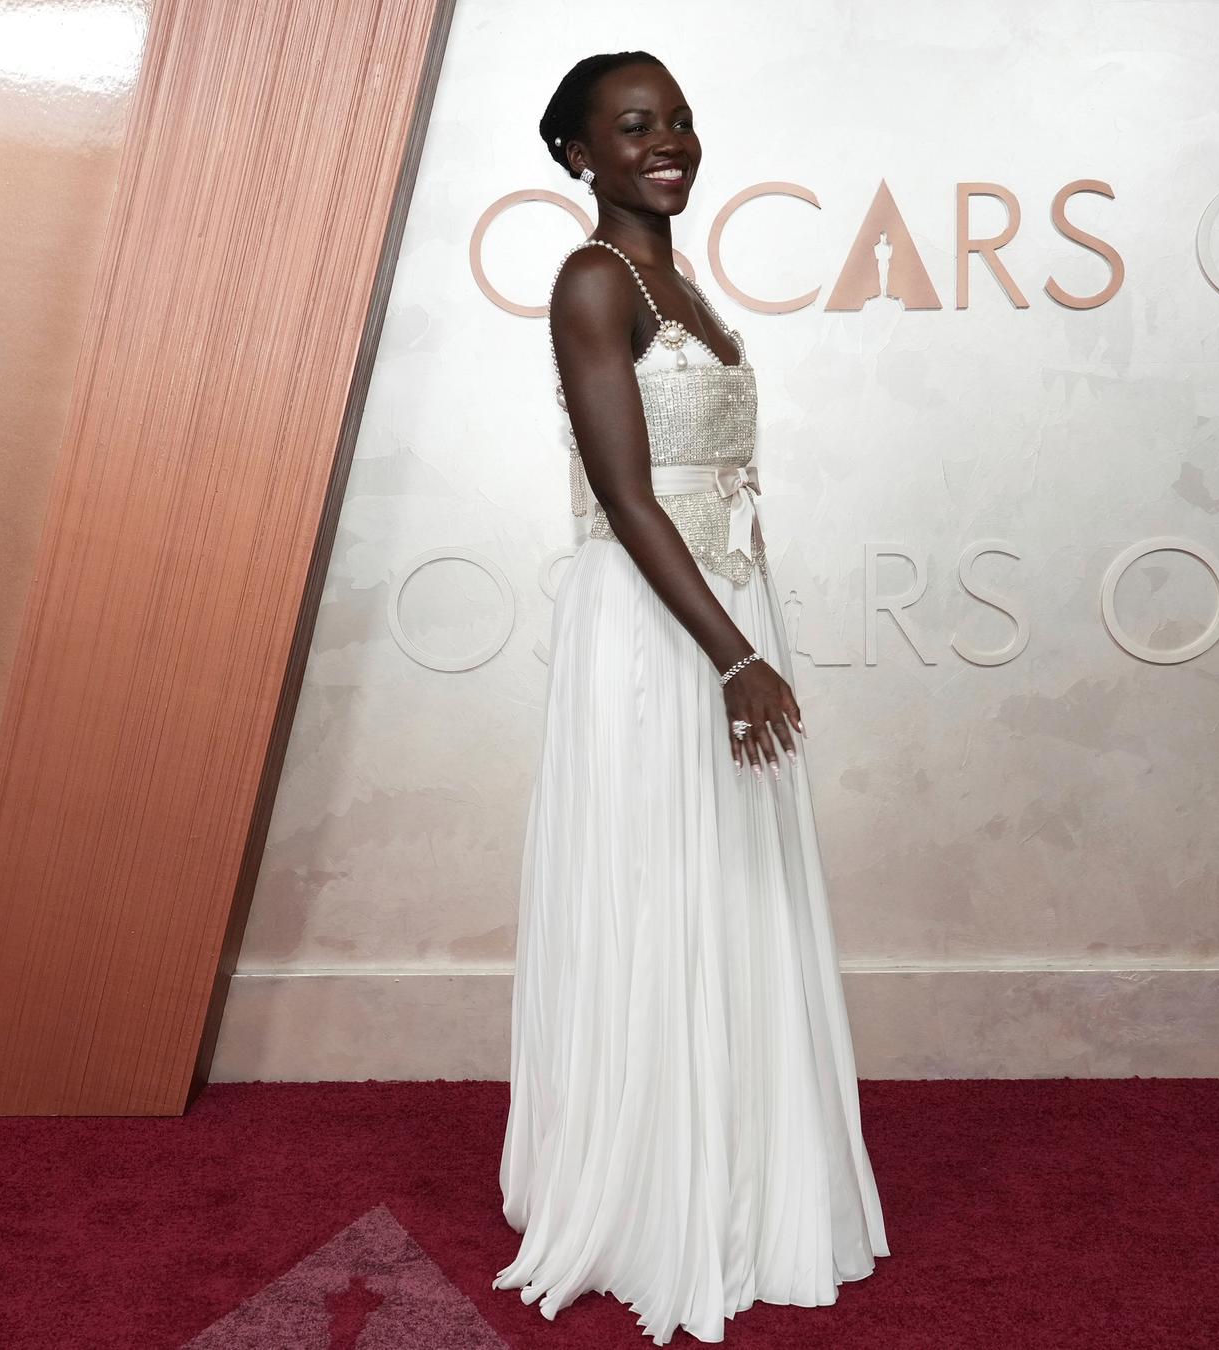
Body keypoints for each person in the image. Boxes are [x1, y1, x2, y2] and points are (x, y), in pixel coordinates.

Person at [492, 50, 891, 1346]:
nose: (667, 140)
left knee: (728, 888)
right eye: (633, 125)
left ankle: (737, 1177)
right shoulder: (595, 280)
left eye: (677, 120)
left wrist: (755, 627)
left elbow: (722, 480)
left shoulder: (682, 282)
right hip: (658, 636)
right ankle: (655, 1197)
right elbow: (626, 494)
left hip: (721, 612)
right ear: (577, 157)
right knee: (661, 884)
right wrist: (733, 655)